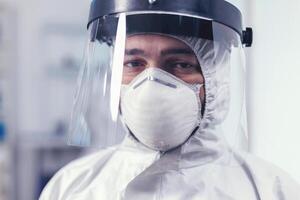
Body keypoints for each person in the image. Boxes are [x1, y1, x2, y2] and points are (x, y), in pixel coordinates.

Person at [40, 0, 300, 199]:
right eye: (134, 63)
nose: (151, 82)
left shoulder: (271, 190)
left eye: (179, 64)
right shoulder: (71, 187)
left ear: (215, 78)